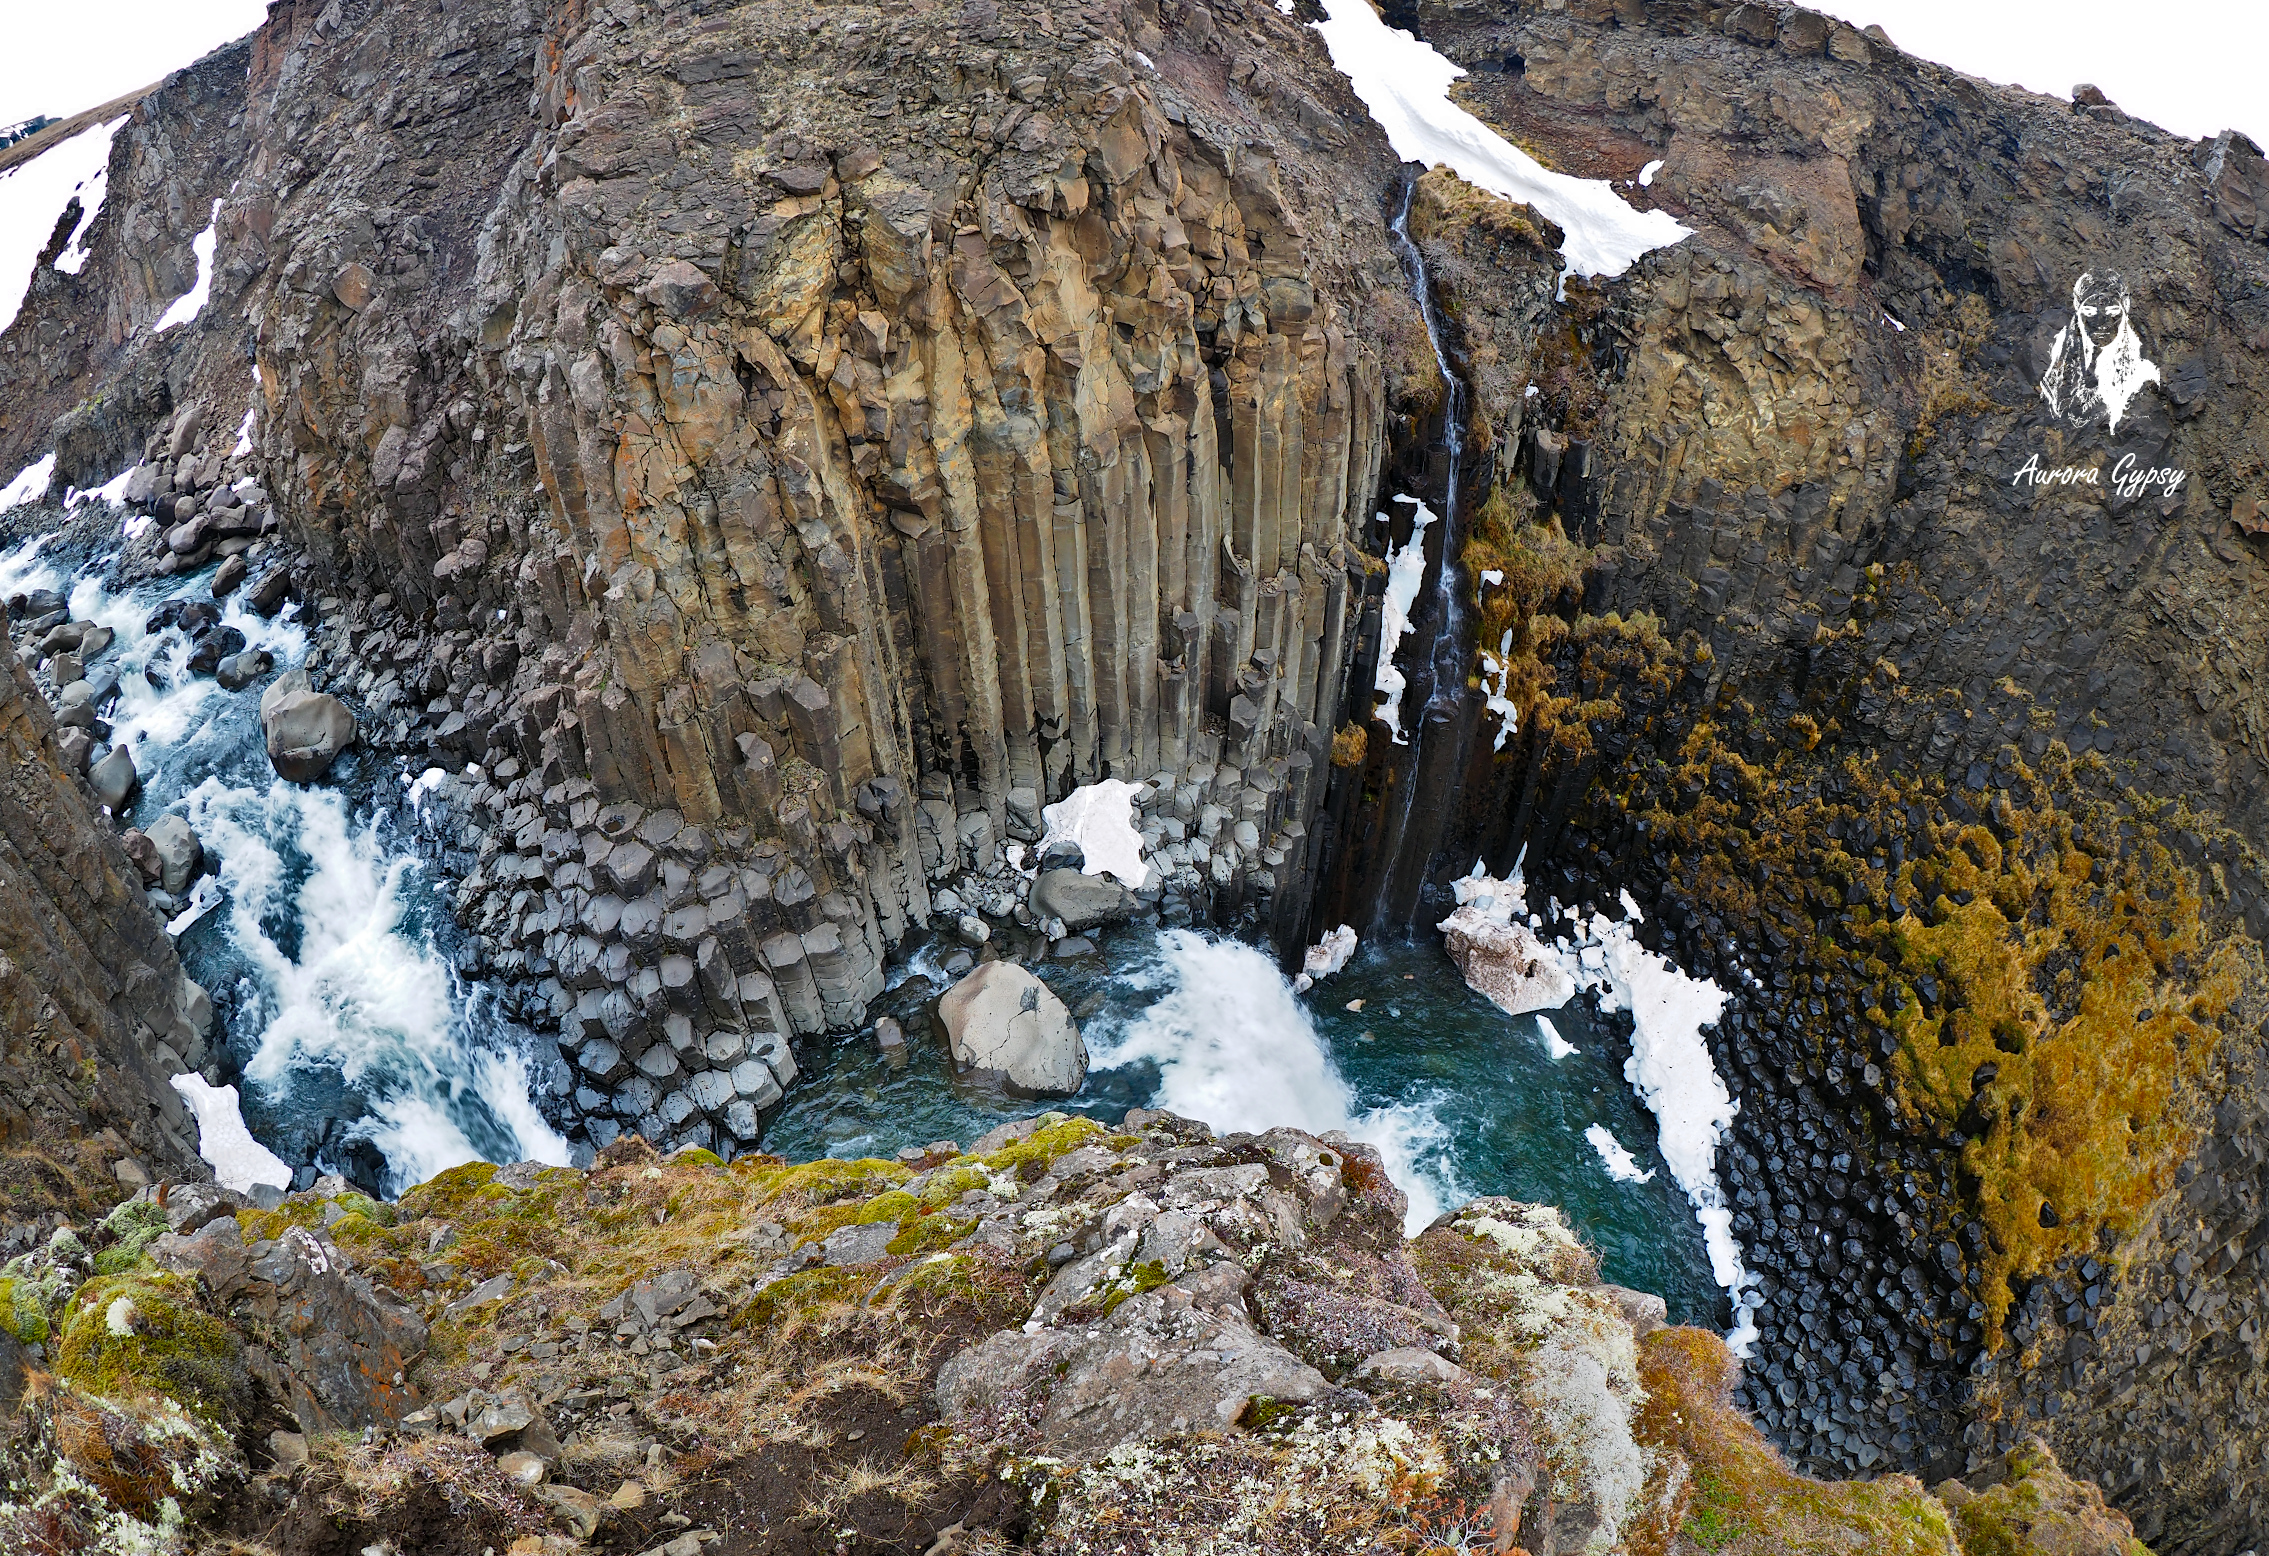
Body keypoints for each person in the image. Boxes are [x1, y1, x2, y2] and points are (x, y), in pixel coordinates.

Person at [2038, 270, 2160, 433]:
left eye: (2112, 313)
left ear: (2125, 311)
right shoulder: (2057, 369)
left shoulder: (2144, 375)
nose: (2100, 322)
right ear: (2078, 310)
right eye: (2089, 312)